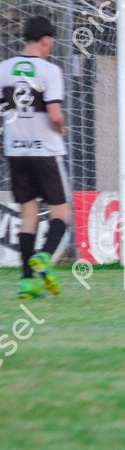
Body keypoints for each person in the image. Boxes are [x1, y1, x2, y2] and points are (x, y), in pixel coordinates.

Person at [0, 16, 70, 298]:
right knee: (61, 214)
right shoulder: (50, 71)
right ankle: (43, 256)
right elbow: (55, 115)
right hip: (45, 150)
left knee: (28, 215)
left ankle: (27, 282)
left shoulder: (3, 69)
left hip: (16, 151)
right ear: (46, 40)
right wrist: (61, 127)